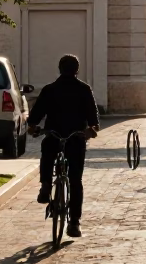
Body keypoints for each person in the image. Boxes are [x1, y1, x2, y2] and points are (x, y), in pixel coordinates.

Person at [28, 54, 98, 238]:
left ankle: (44, 185)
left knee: (47, 152)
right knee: (75, 181)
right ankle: (74, 222)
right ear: (77, 70)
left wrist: (34, 127)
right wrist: (91, 130)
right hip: (75, 138)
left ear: (60, 69)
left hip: (54, 135)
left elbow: (36, 115)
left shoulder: (50, 89)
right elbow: (93, 118)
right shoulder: (84, 89)